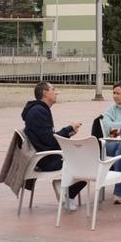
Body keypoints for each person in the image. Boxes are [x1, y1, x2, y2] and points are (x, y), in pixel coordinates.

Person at [21, 81, 86, 211]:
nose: (56, 92)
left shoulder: (39, 110)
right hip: (46, 159)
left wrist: (68, 133)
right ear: (45, 93)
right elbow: (50, 139)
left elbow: (47, 137)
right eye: (53, 89)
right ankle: (68, 194)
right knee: (87, 163)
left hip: (47, 154)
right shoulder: (38, 112)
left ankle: (66, 189)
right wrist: (68, 129)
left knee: (84, 157)